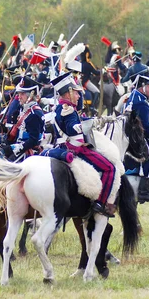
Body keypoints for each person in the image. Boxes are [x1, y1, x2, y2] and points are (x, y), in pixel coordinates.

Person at [51, 72, 116, 217]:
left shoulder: (61, 107)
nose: (79, 96)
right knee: (110, 168)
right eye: (76, 93)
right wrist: (90, 123)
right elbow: (73, 130)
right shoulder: (68, 110)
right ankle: (100, 203)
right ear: (68, 93)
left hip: (61, 146)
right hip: (75, 150)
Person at [123, 71, 149, 202]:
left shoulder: (134, 97)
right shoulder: (142, 102)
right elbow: (146, 129)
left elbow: (143, 120)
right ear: (142, 86)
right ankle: (144, 191)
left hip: (131, 134)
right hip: (136, 137)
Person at [0, 77, 45, 162]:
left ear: (30, 95)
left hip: (27, 151)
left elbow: (33, 140)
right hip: (20, 146)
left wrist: (13, 148)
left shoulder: (34, 113)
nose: (19, 97)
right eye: (19, 94)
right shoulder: (25, 109)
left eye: (22, 94)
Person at [79, 45, 101, 115]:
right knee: (97, 91)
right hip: (85, 82)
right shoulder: (88, 64)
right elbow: (96, 73)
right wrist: (103, 70)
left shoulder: (80, 63)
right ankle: (92, 107)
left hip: (80, 81)